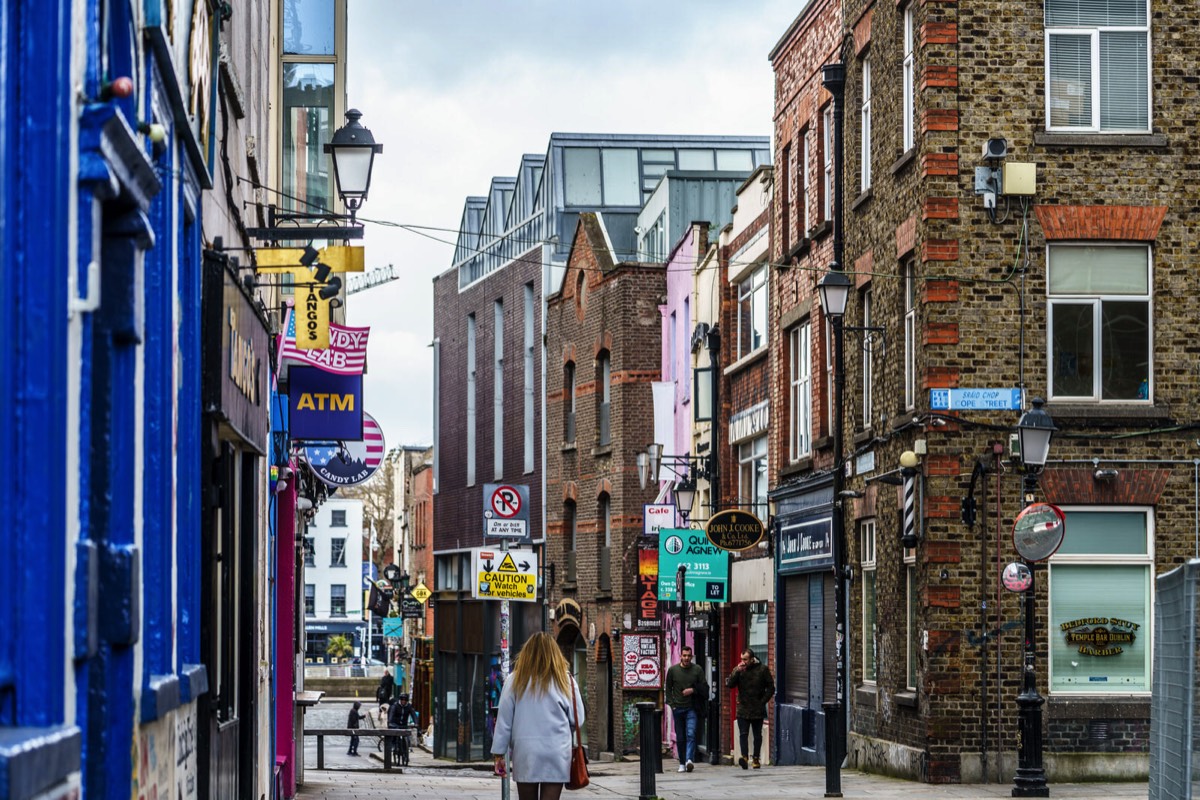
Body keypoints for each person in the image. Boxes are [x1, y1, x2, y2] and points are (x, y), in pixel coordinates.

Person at [491, 631, 584, 800]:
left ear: (526, 653)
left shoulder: (515, 680)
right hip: (557, 751)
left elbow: (504, 721)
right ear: (555, 654)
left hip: (526, 752)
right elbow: (578, 718)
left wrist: (498, 753)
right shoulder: (565, 680)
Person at [725, 648, 775, 769]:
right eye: (742, 659)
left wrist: (762, 701)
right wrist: (737, 671)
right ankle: (744, 757)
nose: (743, 662)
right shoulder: (739, 670)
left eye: (745, 659)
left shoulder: (762, 669)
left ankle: (756, 759)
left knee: (757, 735)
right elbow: (730, 684)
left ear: (752, 659)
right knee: (743, 733)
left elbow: (771, 687)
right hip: (743, 707)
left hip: (757, 707)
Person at [665, 645, 704, 773]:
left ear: (691, 657)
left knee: (691, 734)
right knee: (681, 737)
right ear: (681, 656)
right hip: (678, 708)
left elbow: (704, 687)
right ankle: (682, 763)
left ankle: (689, 760)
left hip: (691, 707)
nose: (687, 658)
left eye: (689, 656)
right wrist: (672, 705)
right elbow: (668, 688)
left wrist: (692, 690)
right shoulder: (673, 670)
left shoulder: (697, 670)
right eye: (684, 656)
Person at [387, 692, 419, 766]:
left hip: (404, 725)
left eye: (405, 700)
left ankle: (406, 751)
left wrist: (416, 723)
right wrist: (390, 722)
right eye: (402, 700)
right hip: (395, 724)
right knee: (395, 736)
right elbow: (391, 715)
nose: (403, 701)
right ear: (400, 700)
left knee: (407, 738)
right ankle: (394, 746)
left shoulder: (409, 706)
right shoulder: (395, 706)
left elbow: (413, 715)